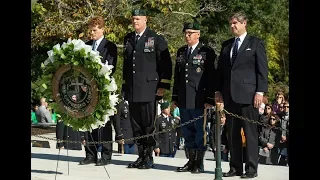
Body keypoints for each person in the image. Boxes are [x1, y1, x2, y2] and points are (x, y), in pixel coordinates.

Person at [215, 11, 268, 178]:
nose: (233, 26)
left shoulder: (255, 43)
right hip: (230, 96)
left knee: (250, 133)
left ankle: (251, 169)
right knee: (232, 134)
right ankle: (235, 167)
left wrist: (260, 91)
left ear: (245, 23)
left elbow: (262, 70)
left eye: (235, 23)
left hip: (249, 96)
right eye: (231, 23)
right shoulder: (227, 45)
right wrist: (218, 91)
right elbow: (221, 71)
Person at [122, 9, 172, 169]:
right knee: (136, 125)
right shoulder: (128, 39)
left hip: (149, 88)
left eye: (138, 19)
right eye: (133, 19)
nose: (135, 21)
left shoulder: (155, 39)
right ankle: (140, 156)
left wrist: (163, 86)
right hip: (133, 89)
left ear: (145, 20)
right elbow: (126, 66)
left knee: (148, 125)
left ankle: (149, 157)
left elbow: (166, 64)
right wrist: (125, 86)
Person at [172, 22, 216, 173]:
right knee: (187, 131)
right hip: (184, 98)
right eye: (185, 33)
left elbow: (211, 77)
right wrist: (175, 96)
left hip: (199, 98)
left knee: (200, 132)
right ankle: (190, 161)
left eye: (190, 33)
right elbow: (177, 76)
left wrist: (210, 99)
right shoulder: (181, 52)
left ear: (198, 34)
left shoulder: (206, 52)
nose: (187, 35)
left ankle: (199, 162)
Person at [79, 16, 118, 166]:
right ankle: (90, 154)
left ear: (102, 29)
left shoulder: (110, 46)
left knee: (104, 122)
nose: (92, 33)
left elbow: (110, 67)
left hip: (102, 88)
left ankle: (106, 155)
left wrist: (97, 83)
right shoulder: (86, 45)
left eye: (95, 30)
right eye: (91, 30)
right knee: (89, 121)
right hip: (86, 89)